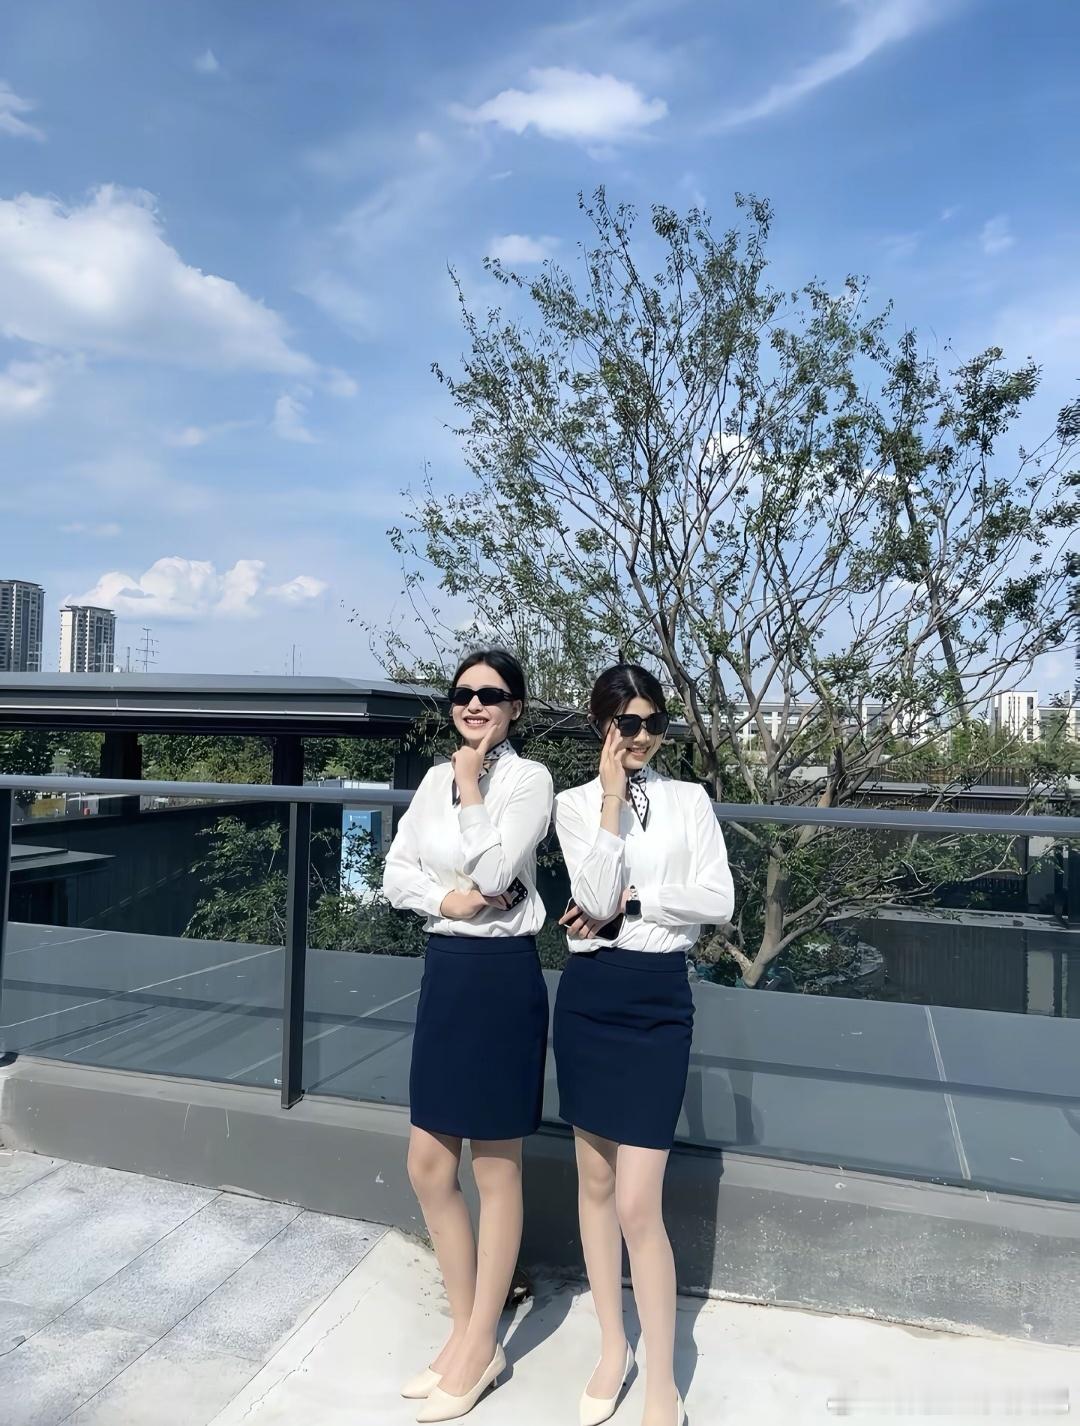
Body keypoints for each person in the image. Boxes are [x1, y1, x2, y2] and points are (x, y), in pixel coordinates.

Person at [553, 664, 734, 1426]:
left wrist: (634, 902)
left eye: (655, 723)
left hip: (660, 999)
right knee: (595, 1185)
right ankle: (611, 1348)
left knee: (637, 1201)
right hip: (590, 999)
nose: (644, 736)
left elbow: (718, 899)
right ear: (602, 725)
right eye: (629, 723)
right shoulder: (574, 805)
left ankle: (662, 1379)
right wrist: (610, 802)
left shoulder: (690, 800)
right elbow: (588, 898)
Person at [383, 648, 554, 1424]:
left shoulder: (529, 781)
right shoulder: (431, 780)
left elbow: (495, 873)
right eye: (462, 693)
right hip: (446, 968)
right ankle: (464, 1332)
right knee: (427, 1162)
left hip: (501, 976)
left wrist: (475, 784)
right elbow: (396, 874)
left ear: (515, 707)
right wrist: (444, 902)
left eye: (491, 694)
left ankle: (481, 1342)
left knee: (495, 1166)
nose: (474, 704)